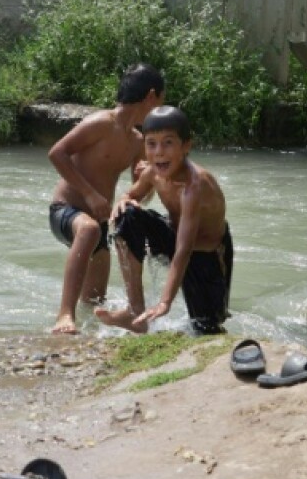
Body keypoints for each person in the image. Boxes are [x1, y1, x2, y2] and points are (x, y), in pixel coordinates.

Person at [47, 63, 165, 335]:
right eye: (160, 101)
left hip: (98, 223)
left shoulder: (137, 141)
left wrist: (148, 180)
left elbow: (139, 196)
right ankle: (64, 315)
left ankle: (90, 334)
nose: (159, 108)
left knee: (94, 302)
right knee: (87, 230)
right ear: (150, 96)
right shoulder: (101, 123)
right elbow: (57, 153)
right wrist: (89, 193)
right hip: (66, 211)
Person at [95, 105, 232, 334]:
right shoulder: (152, 173)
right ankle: (134, 310)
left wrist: (164, 303)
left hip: (205, 254)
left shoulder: (194, 186)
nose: (159, 152)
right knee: (127, 215)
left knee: (207, 327)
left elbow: (184, 250)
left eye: (168, 143)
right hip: (173, 235)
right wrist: (123, 199)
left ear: (186, 146)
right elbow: (131, 194)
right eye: (151, 143)